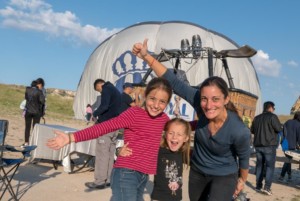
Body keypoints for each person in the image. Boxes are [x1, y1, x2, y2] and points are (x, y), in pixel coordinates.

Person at [132, 39, 251, 201]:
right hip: (198, 172)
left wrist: (241, 181)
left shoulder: (239, 130)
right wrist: (146, 57)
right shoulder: (198, 103)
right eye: (204, 99)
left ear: (226, 99)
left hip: (224, 175)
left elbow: (244, 161)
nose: (208, 105)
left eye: (215, 99)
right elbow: (173, 81)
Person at [47, 77, 172, 201]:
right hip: (127, 172)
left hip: (144, 175)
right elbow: (105, 127)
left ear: (167, 103)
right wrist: (71, 137)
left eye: (162, 101)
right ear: (146, 95)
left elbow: (182, 129)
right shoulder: (134, 113)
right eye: (152, 99)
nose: (156, 105)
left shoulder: (164, 119)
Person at [84, 79, 121, 189]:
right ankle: (109, 179)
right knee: (110, 154)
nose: (100, 92)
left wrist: (94, 114)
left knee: (102, 154)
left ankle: (99, 181)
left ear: (99, 84)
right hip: (115, 126)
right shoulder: (115, 90)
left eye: (98, 90)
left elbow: (104, 106)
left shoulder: (106, 89)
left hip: (106, 127)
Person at [250, 101, 282, 195]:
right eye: (274, 108)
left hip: (258, 146)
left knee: (259, 166)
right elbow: (279, 129)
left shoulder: (256, 118)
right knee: (269, 167)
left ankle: (258, 186)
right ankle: (267, 187)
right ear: (271, 107)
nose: (274, 110)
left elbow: (252, 130)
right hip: (269, 145)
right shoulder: (272, 116)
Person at [278, 111, 300, 182]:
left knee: (288, 160)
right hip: (292, 146)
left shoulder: (287, 122)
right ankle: (282, 176)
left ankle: (289, 175)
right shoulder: (298, 125)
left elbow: (282, 132)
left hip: (284, 144)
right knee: (287, 161)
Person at [24, 80, 45, 146]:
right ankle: (33, 142)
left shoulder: (27, 90)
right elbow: (42, 101)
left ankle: (26, 142)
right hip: (36, 112)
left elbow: (26, 98)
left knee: (27, 127)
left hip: (28, 111)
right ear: (37, 85)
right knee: (35, 128)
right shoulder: (39, 92)